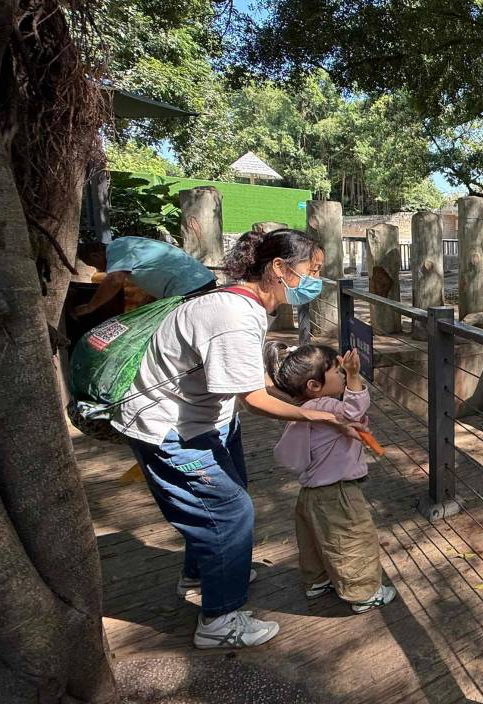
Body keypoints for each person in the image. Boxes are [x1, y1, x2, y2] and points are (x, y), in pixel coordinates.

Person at [112, 228, 362, 649]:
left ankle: (202, 573)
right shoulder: (234, 315)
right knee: (231, 513)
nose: (314, 281)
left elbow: (253, 376)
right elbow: (254, 399)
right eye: (311, 271)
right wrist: (317, 417)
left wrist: (296, 400)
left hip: (204, 419)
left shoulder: (243, 304)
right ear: (279, 268)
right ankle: (219, 619)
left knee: (221, 506)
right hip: (169, 426)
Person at [267, 342, 397, 614]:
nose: (341, 375)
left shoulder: (303, 411)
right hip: (337, 492)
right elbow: (354, 410)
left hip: (311, 492)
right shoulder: (325, 406)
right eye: (337, 372)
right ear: (314, 385)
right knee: (351, 540)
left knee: (314, 539)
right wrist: (353, 376)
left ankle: (317, 581)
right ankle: (364, 594)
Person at [74, 237, 217, 318]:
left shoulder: (116, 249)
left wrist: (90, 306)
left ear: (95, 255)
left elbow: (114, 280)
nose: (98, 269)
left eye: (93, 264)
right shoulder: (125, 245)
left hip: (191, 288)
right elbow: (154, 270)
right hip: (199, 283)